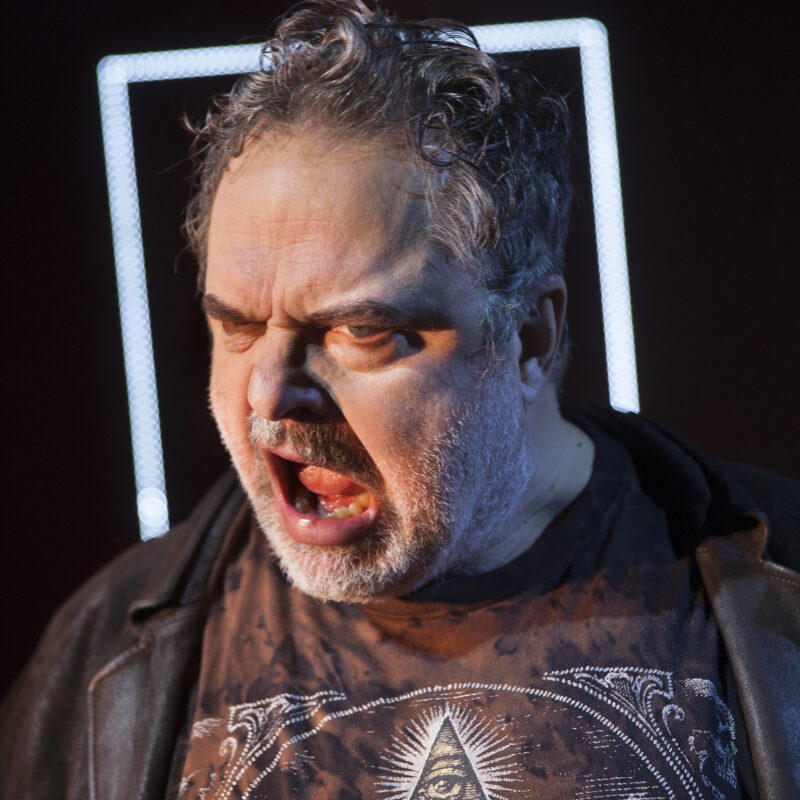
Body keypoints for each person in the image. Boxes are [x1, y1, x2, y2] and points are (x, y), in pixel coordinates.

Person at [2, 2, 798, 798]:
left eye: (360, 331)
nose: (270, 391)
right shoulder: (100, 653)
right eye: (237, 325)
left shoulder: (778, 590)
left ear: (529, 339)